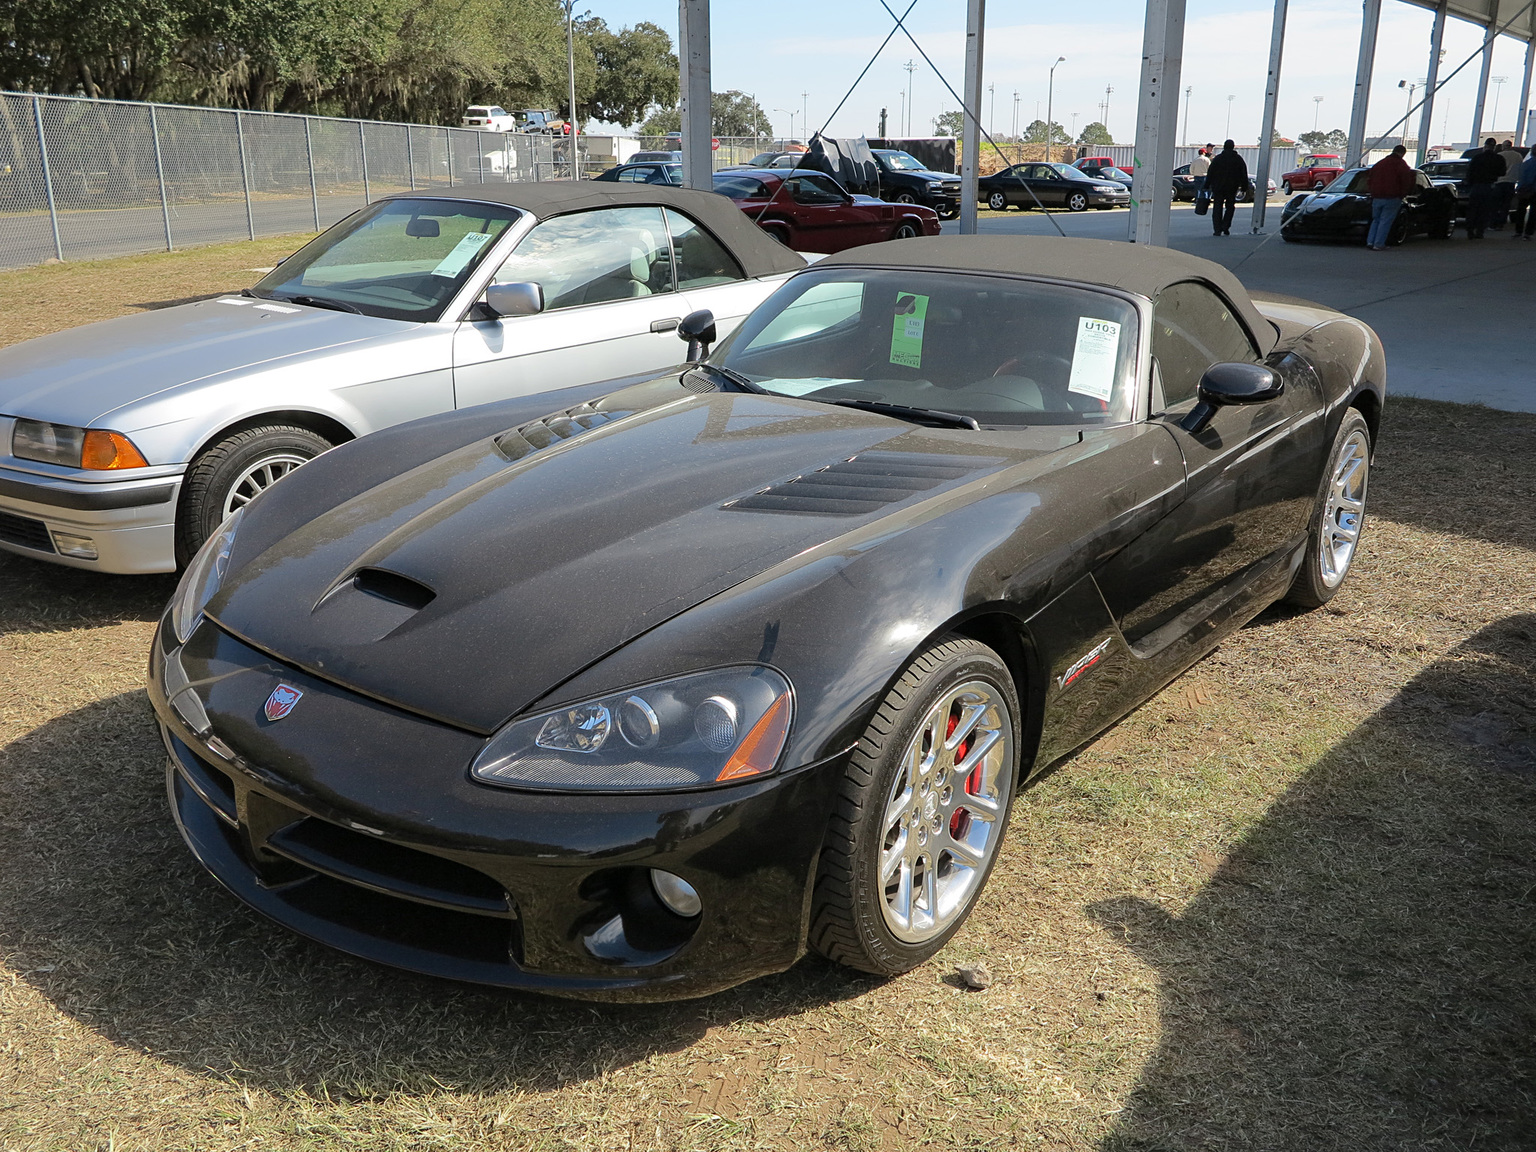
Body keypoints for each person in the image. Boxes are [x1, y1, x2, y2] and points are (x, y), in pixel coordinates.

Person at [1365, 144, 1416, 250]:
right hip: (1392, 197)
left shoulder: (1379, 164)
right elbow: (1406, 181)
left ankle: (1370, 241)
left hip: (1376, 197)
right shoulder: (1401, 165)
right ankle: (1378, 244)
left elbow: (1369, 179)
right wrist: (1403, 194)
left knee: (1376, 220)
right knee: (1385, 221)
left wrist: (1372, 192)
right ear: (1402, 153)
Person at [1205, 139, 1251, 236]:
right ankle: (1226, 226)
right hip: (1232, 187)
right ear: (1233, 147)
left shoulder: (1218, 159)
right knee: (1230, 207)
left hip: (1218, 187)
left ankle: (1217, 229)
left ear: (1224, 147)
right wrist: (1244, 186)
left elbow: (1210, 173)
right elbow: (1243, 173)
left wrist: (1206, 185)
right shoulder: (1238, 159)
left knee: (1217, 207)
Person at [1463, 138, 1506, 239]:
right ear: (1494, 147)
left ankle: (1470, 230)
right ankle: (1480, 231)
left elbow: (1469, 173)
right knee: (1485, 210)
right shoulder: (1498, 159)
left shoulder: (1477, 158)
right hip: (1489, 187)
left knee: (1473, 209)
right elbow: (1502, 173)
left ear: (1485, 146)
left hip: (1476, 187)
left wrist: (1470, 184)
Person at [1492, 140, 1525, 229]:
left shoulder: (1500, 155)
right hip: (1511, 182)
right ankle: (1501, 223)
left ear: (1504, 146)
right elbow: (1520, 168)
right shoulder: (1518, 155)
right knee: (1506, 204)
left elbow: (1495, 169)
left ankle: (1494, 222)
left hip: (1499, 182)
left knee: (1496, 204)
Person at [1513, 148, 1536, 240]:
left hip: (1524, 190)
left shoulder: (1525, 164)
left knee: (1521, 211)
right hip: (1534, 190)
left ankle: (1518, 231)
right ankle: (1528, 233)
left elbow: (1521, 177)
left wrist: (1519, 188)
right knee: (1533, 213)